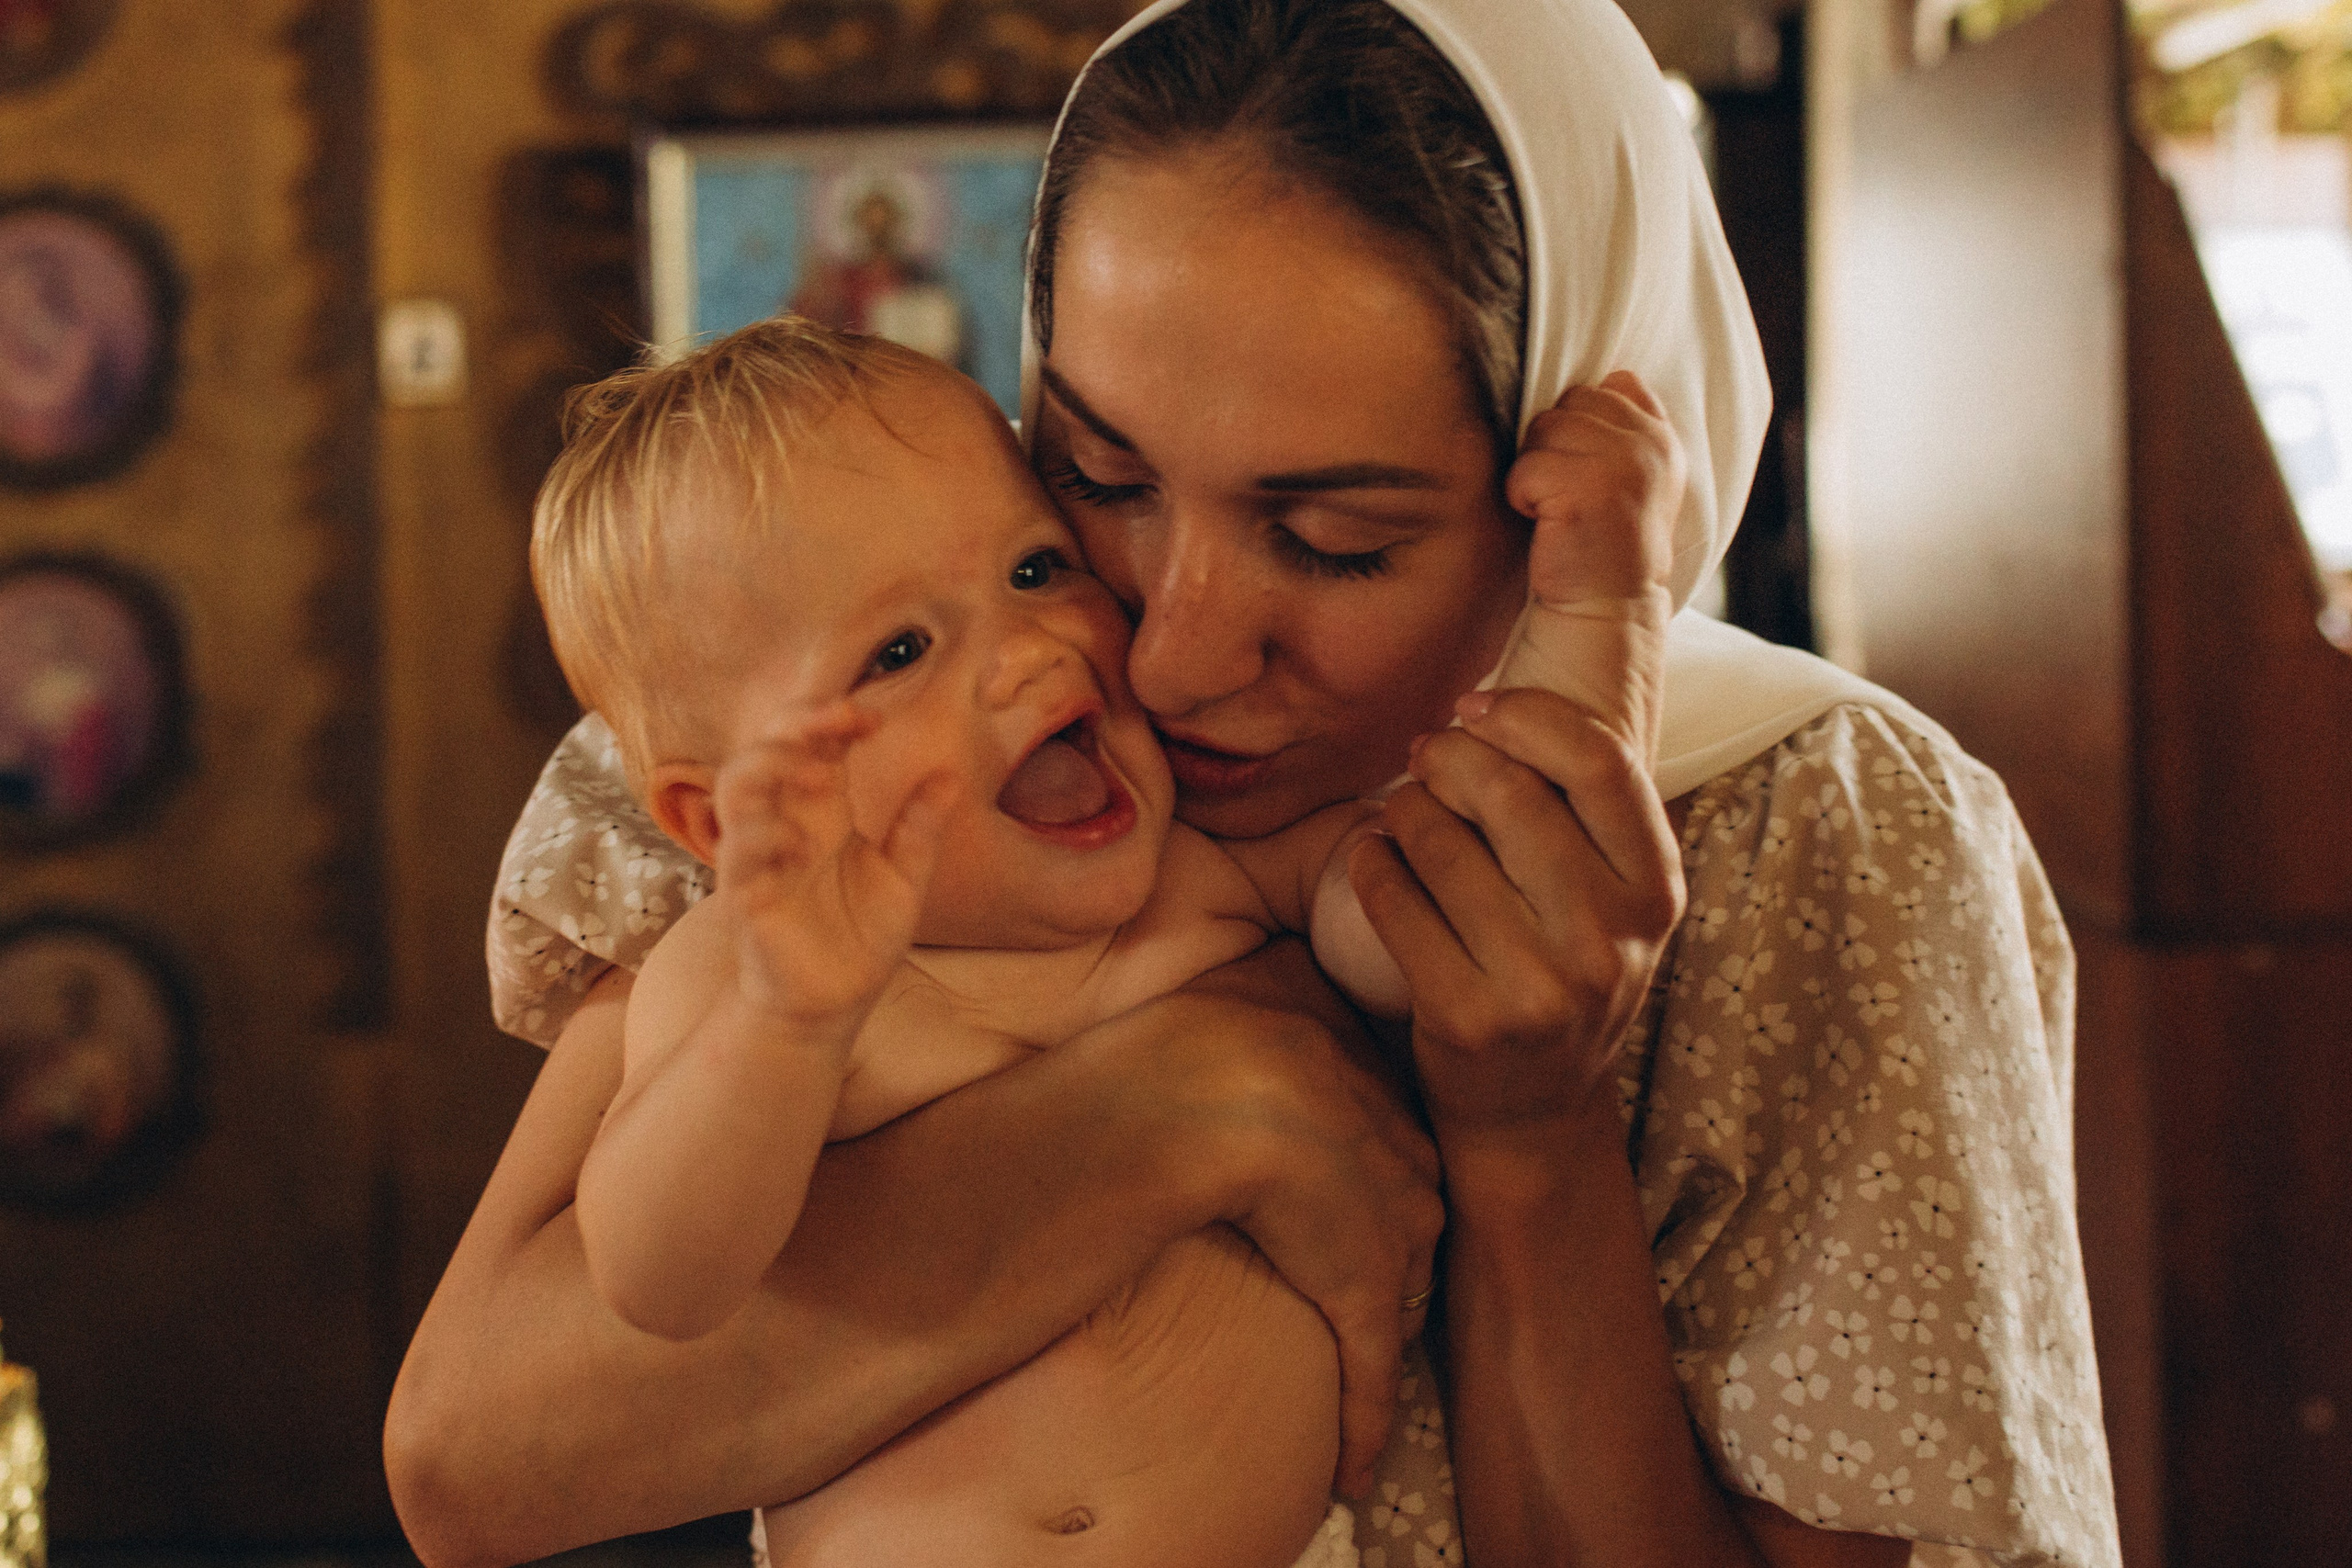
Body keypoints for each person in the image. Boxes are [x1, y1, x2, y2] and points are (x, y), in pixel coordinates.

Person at [388, 3, 2122, 1565]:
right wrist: (1184, 1106)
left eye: (1334, 540)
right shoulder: (814, 754)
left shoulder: (1815, 836)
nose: (1168, 658)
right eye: (1096, 473)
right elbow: (478, 1465)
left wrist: (1527, 1139)